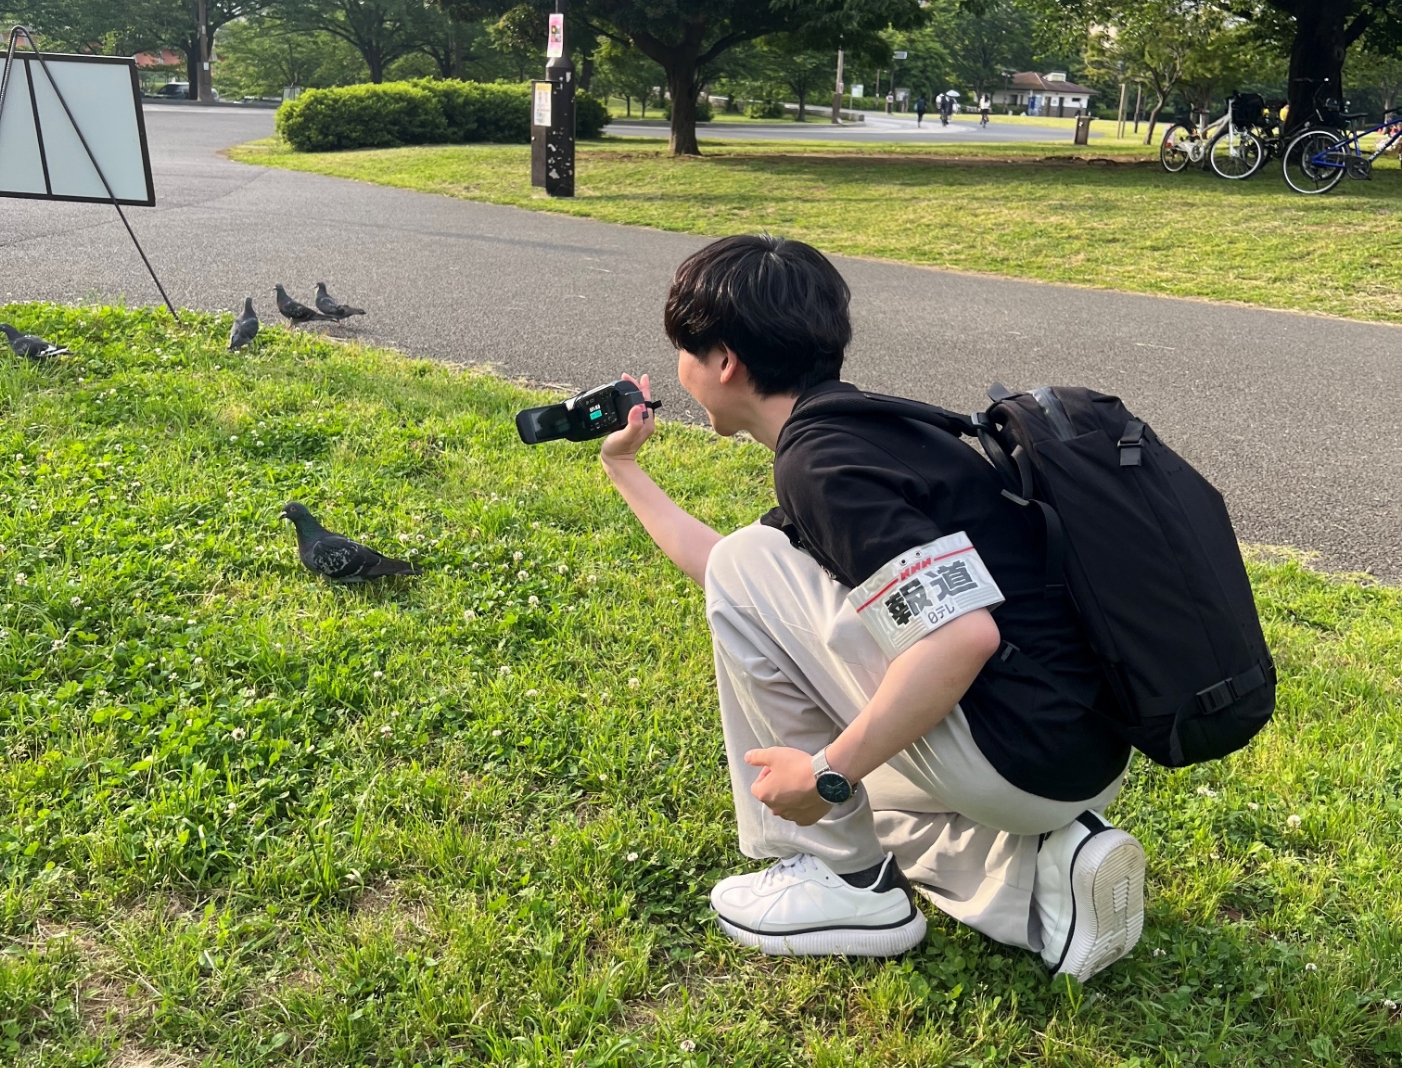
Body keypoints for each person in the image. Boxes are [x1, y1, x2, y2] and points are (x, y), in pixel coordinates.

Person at [599, 234, 1146, 984]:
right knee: (878, 794)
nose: (680, 373)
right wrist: (622, 468)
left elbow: (961, 637)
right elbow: (729, 571)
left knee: (844, 782)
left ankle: (847, 882)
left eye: (684, 353)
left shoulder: (820, 463)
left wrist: (825, 775)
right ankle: (1048, 879)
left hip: (1017, 749)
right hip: (1074, 748)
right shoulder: (871, 430)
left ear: (724, 361)